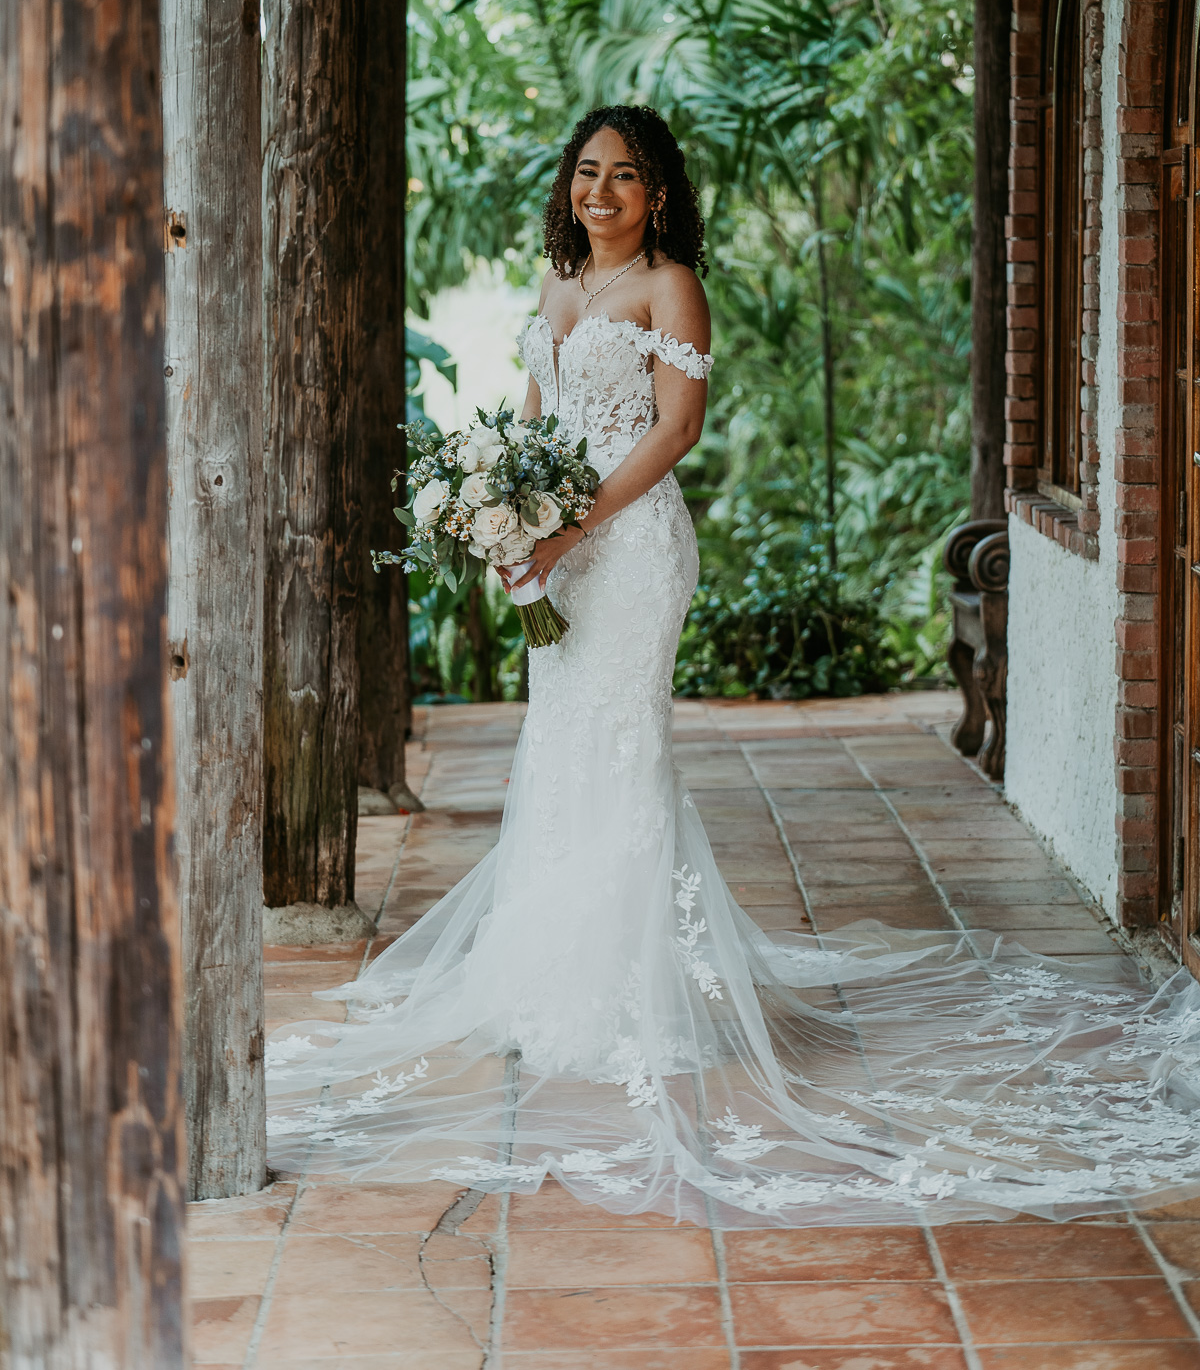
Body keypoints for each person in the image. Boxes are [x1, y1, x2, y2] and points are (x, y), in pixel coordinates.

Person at [267, 104, 1200, 1227]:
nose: (599, 191)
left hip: (632, 547)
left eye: (625, 176)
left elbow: (672, 432)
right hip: (554, 544)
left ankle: (629, 986)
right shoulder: (558, 289)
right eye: (586, 172)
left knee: (622, 739)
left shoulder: (671, 287)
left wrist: (570, 528)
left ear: (658, 194)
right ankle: (543, 972)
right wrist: (504, 518)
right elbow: (530, 425)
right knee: (558, 741)